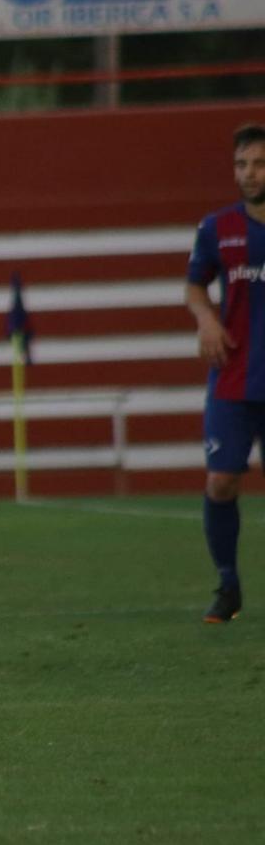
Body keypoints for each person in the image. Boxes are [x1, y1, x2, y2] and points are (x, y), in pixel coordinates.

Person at [185, 122, 265, 624]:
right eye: (241, 164)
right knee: (220, 483)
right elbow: (195, 286)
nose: (249, 173)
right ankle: (228, 586)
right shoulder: (216, 227)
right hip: (234, 380)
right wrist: (206, 318)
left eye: (258, 163)